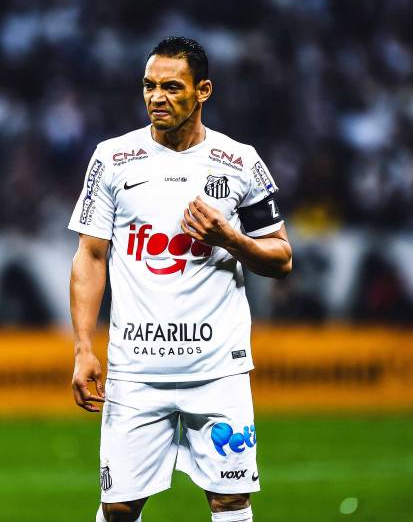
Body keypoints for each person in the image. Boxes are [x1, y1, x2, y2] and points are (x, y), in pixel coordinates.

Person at [69, 36, 292, 522]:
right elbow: (90, 255)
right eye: (149, 86)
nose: (156, 97)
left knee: (230, 501)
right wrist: (84, 346)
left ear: (204, 90)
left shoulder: (239, 162)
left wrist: (230, 238)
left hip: (217, 369)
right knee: (119, 508)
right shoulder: (112, 159)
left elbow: (281, 257)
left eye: (171, 87)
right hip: (135, 371)